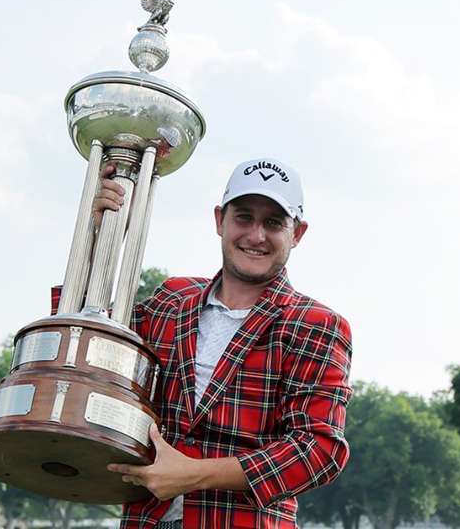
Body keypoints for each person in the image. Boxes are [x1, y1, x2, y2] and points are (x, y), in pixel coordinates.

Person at [83, 157, 353, 528]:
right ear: (219, 221)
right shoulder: (171, 301)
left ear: (297, 233)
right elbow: (89, 340)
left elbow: (319, 450)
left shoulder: (315, 325)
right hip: (147, 520)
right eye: (244, 217)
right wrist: (100, 234)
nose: (256, 235)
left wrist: (195, 474)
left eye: (273, 222)